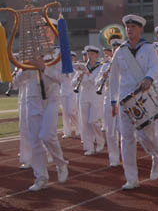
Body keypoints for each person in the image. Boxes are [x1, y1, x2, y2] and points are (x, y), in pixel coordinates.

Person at [12, 17, 69, 191]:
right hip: (32, 100)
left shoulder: (59, 55)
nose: (43, 33)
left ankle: (61, 163)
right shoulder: (27, 55)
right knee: (35, 141)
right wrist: (25, 68)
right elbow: (15, 83)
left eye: (47, 30)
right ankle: (41, 177)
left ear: (53, 33)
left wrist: (44, 67)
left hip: (51, 99)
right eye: (40, 30)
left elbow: (63, 78)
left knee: (46, 135)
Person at [109, 14, 158, 190]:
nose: (130, 29)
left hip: (144, 98)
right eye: (128, 27)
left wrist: (149, 78)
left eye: (133, 27)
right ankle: (131, 178)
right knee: (126, 138)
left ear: (140, 29)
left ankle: (156, 154)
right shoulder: (120, 51)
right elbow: (114, 78)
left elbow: (156, 66)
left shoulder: (148, 49)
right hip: (125, 101)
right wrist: (113, 101)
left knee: (145, 135)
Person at [74, 45, 105, 156]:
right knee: (85, 122)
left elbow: (97, 81)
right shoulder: (82, 67)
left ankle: (100, 140)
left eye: (92, 54)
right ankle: (88, 147)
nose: (90, 56)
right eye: (88, 54)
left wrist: (88, 76)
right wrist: (78, 78)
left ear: (96, 55)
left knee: (93, 121)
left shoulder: (100, 67)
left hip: (95, 96)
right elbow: (73, 83)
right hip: (84, 96)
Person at [97, 39, 123, 167]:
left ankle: (126, 155)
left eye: (118, 48)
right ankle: (114, 158)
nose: (115, 50)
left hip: (123, 99)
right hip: (109, 99)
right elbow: (97, 83)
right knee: (110, 131)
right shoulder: (105, 65)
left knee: (124, 130)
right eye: (114, 48)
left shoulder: (126, 64)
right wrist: (103, 77)